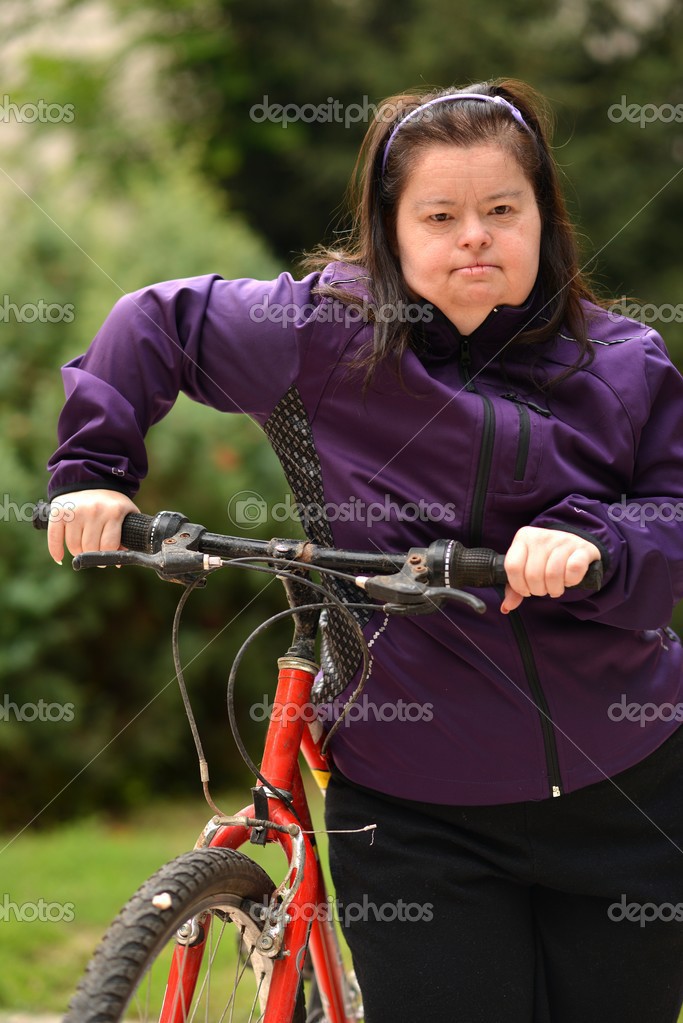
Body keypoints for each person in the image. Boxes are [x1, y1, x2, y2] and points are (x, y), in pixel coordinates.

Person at [46, 79, 683, 1022]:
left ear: (543, 219)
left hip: (626, 786)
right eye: (441, 214)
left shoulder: (621, 363)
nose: (475, 234)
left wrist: (597, 539)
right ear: (390, 231)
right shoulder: (318, 336)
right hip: (414, 807)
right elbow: (156, 321)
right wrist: (95, 469)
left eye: (502, 210)